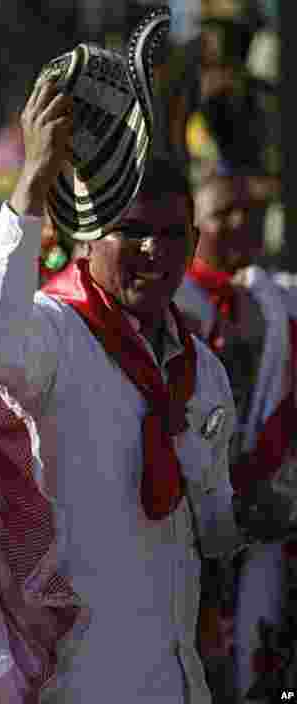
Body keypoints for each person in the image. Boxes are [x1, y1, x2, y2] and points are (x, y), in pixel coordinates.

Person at [0, 79, 243, 703]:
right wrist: (32, 179)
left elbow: (217, 527)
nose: (153, 250)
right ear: (87, 237)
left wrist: (255, 516)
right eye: (132, 229)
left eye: (173, 236)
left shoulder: (202, 369)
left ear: (194, 245)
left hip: (177, 676)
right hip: (77, 680)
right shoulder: (57, 332)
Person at [176, 172, 297, 701]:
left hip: (262, 510)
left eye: (246, 212)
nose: (238, 223)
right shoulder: (168, 304)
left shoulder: (275, 298)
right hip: (190, 518)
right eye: (222, 213)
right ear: (191, 226)